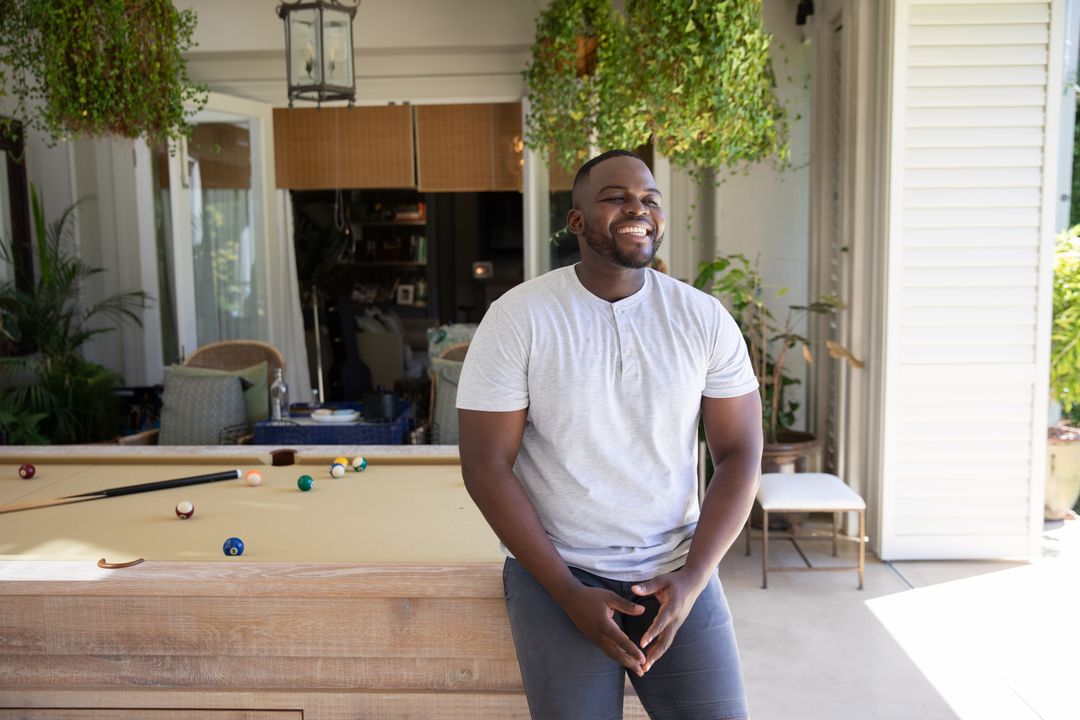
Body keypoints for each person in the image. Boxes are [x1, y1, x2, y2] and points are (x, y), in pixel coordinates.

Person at [457, 149, 762, 720]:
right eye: (616, 197)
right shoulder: (518, 317)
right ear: (576, 221)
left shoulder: (703, 318)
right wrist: (567, 592)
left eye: (649, 200)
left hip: (676, 566)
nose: (637, 209)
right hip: (560, 572)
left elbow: (741, 451)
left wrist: (694, 578)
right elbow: (485, 465)